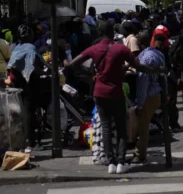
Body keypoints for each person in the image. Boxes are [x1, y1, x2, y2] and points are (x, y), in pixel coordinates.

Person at [69, 21, 164, 175]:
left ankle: (111, 162)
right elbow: (139, 67)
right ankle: (121, 162)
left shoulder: (94, 49)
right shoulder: (121, 49)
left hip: (99, 93)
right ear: (113, 33)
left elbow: (74, 63)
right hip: (116, 92)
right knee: (121, 129)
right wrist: (157, 70)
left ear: (100, 34)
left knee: (106, 127)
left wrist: (92, 75)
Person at [133, 32, 165, 163]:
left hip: (149, 95)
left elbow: (143, 83)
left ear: (140, 44)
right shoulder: (157, 53)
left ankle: (140, 154)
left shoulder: (146, 58)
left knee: (143, 127)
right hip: (157, 93)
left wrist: (139, 104)